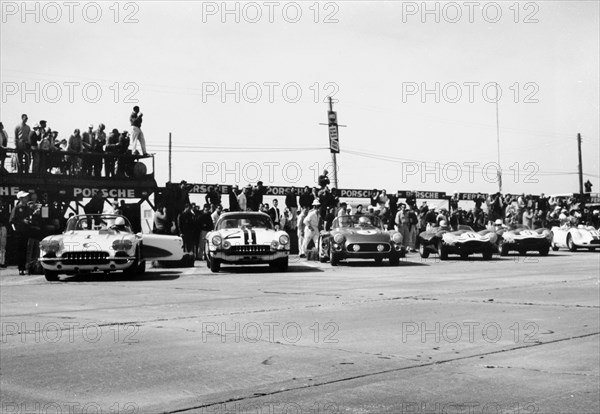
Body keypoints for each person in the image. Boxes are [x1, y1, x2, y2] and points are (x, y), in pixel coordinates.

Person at [9, 191, 33, 274]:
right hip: (19, 232)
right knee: (20, 250)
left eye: (26, 197)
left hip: (27, 231)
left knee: (27, 250)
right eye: (24, 197)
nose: (26, 198)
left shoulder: (28, 208)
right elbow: (12, 221)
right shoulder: (16, 208)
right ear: (20, 198)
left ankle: (26, 267)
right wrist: (22, 222)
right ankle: (21, 268)